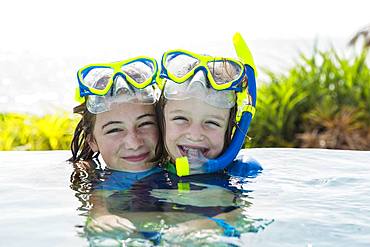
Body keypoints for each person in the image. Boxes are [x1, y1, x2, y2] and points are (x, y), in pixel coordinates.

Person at [69, 56, 164, 234]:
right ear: (92, 141)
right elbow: (95, 193)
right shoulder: (91, 176)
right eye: (114, 130)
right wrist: (100, 214)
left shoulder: (184, 167)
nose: (134, 143)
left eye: (145, 124)